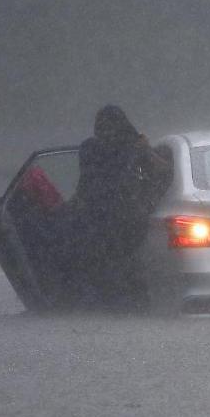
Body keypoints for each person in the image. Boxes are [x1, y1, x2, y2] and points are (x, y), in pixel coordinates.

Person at [68, 105, 171, 309]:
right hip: (121, 220)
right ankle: (127, 304)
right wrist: (144, 150)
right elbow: (163, 171)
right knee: (123, 268)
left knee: (111, 268)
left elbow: (85, 185)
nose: (106, 132)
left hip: (107, 221)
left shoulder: (92, 148)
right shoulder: (128, 147)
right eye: (103, 127)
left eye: (108, 126)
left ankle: (115, 304)